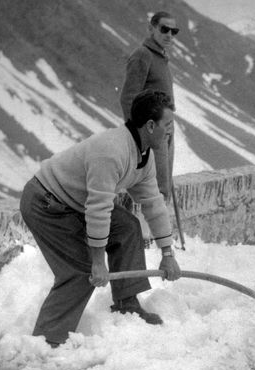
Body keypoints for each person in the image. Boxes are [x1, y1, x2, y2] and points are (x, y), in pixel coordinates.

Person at [20, 90, 182, 347]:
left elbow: (153, 204)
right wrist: (97, 262)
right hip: (46, 202)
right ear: (150, 126)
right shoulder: (112, 151)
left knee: (127, 227)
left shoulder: (143, 156)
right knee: (79, 271)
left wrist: (168, 253)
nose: (171, 132)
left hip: (75, 203)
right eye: (168, 125)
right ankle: (47, 341)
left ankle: (126, 304)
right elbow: (99, 209)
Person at [120, 11, 178, 202]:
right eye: (164, 29)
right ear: (151, 28)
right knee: (155, 190)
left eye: (173, 31)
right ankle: (152, 232)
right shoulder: (142, 55)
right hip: (153, 132)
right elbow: (128, 97)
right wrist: (140, 136)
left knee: (164, 187)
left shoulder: (161, 57)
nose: (169, 34)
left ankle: (160, 231)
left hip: (166, 130)